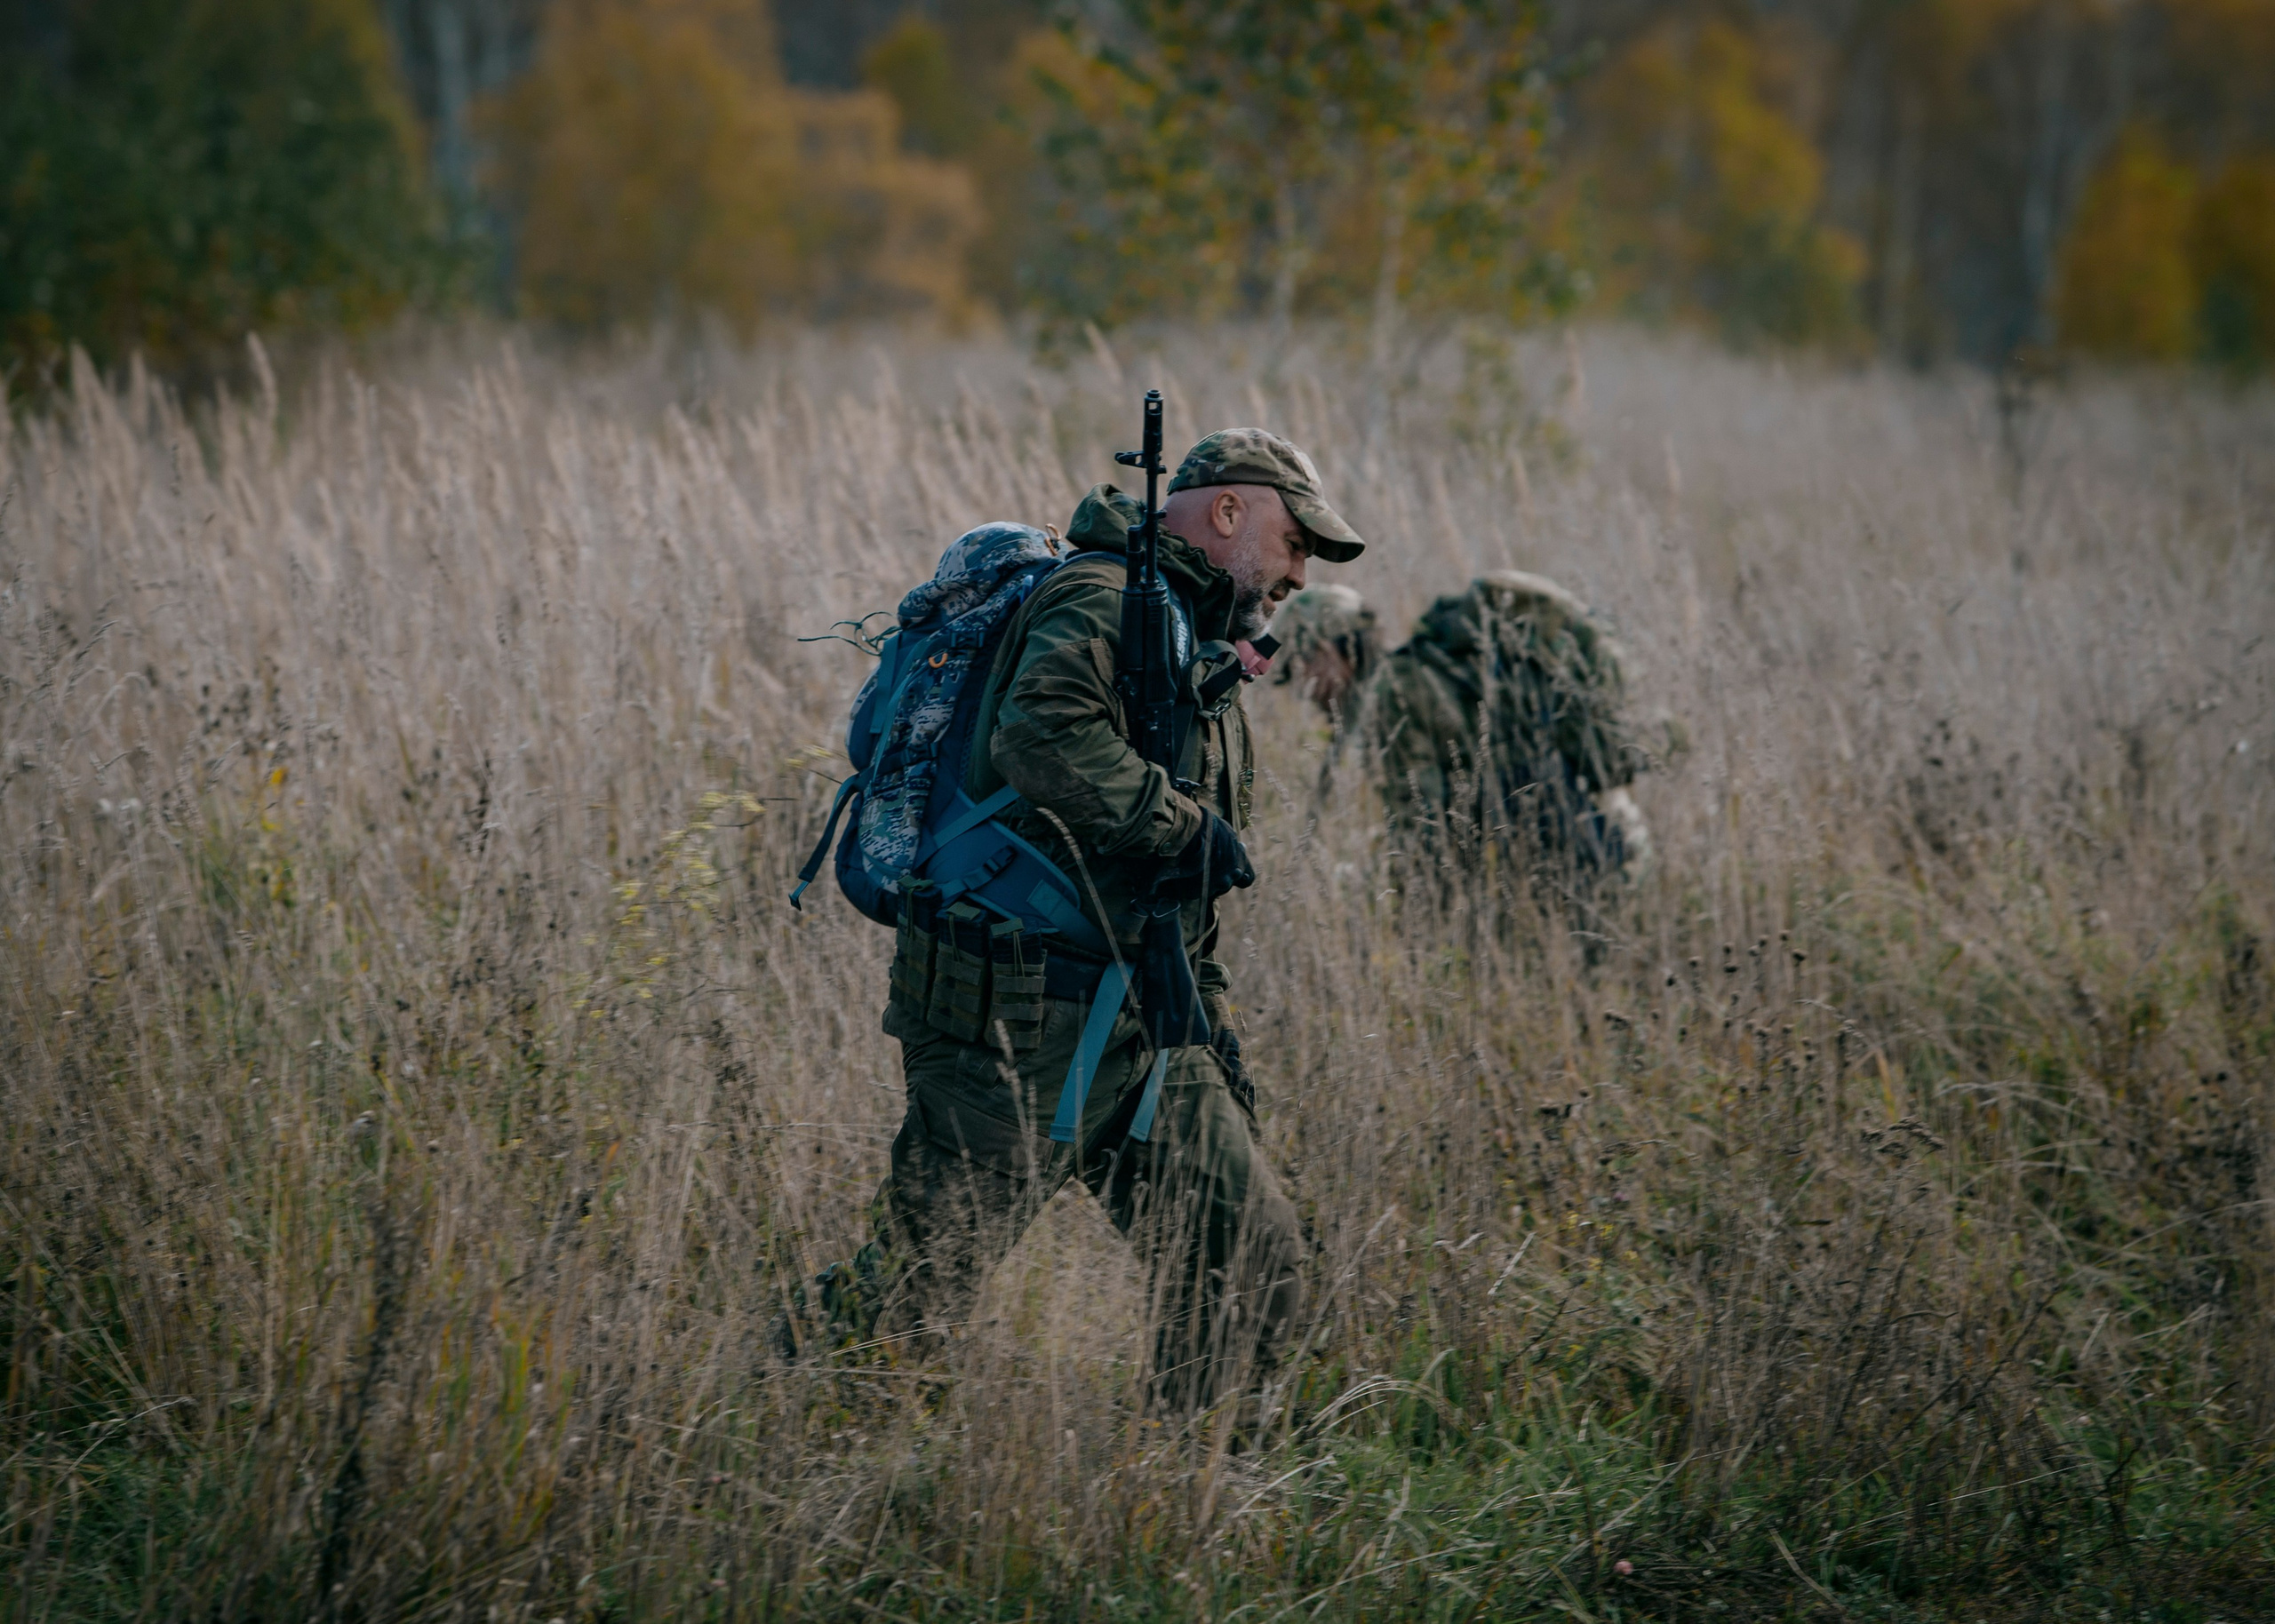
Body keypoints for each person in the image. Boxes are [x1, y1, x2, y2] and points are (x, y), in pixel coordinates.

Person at [786, 428, 1364, 1415]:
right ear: (1227, 512)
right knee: (906, 1306)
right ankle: (760, 1419)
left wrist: (1206, 1020)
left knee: (1250, 1259)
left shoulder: (1193, 638)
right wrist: (1187, 826)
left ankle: (1183, 1483)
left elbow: (1166, 880)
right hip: (1008, 1020)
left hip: (1141, 1013)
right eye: (1293, 541)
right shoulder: (1098, 599)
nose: (1299, 573)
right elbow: (1040, 736)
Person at [1273, 569, 1651, 881]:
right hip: (1597, 836)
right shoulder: (1416, 674)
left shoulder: (1391, 698)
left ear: (1325, 653)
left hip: (1566, 858)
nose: (1301, 688)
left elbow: (1424, 830)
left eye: (1298, 667)